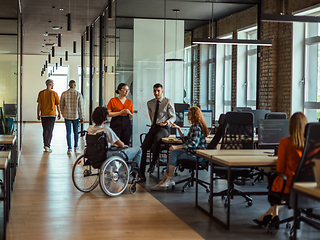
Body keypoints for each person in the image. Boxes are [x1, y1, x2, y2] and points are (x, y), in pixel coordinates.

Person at [253, 112, 308, 228]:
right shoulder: (312, 144)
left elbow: (280, 169)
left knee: (275, 178)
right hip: (308, 186)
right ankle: (271, 215)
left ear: (290, 126)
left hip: (290, 186)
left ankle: (273, 216)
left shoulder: (285, 142)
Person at [150, 106, 208, 190]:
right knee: (173, 154)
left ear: (194, 115)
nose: (187, 115)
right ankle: (165, 180)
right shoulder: (194, 126)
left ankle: (168, 179)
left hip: (197, 155)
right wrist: (179, 129)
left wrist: (176, 147)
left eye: (189, 114)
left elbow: (193, 144)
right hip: (192, 152)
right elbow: (186, 140)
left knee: (174, 154)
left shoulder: (196, 127)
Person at [139, 83, 176, 182]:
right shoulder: (150, 103)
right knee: (143, 148)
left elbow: (173, 116)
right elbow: (151, 115)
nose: (156, 93)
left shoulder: (168, 101)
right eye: (154, 91)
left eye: (158, 91)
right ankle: (141, 173)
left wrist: (167, 122)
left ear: (162, 91)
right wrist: (153, 124)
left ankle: (153, 162)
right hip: (154, 127)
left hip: (164, 128)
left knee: (157, 138)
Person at [60, 80, 85, 154]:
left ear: (69, 85)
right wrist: (82, 117)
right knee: (76, 132)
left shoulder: (64, 94)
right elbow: (81, 107)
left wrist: (63, 113)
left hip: (67, 116)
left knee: (68, 132)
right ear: (75, 85)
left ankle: (69, 148)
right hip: (75, 116)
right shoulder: (78, 94)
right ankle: (76, 146)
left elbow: (61, 105)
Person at [37, 79, 61, 153]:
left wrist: (38, 113)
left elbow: (39, 105)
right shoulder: (54, 93)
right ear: (50, 84)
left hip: (43, 114)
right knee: (50, 130)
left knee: (45, 130)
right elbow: (57, 105)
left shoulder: (41, 93)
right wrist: (59, 113)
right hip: (51, 114)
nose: (53, 85)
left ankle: (45, 144)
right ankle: (48, 145)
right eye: (53, 83)